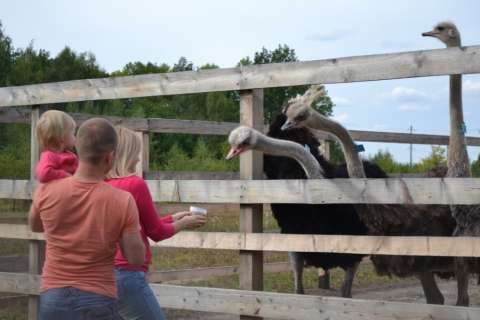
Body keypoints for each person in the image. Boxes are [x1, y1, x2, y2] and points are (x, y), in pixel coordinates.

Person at [29, 118, 146, 320]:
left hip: (53, 297)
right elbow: (136, 258)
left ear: (78, 152)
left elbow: (35, 225)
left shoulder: (45, 191)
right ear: (109, 158)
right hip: (98, 298)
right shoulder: (122, 200)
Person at [106, 126, 207, 320]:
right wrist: (185, 223)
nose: (138, 158)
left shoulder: (102, 183)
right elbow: (157, 232)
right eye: (136, 152)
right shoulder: (134, 184)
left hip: (103, 274)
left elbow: (136, 228)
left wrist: (172, 218)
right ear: (128, 153)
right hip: (128, 273)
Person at [35, 110, 78, 183]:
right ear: (62, 138)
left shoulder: (68, 154)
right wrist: (67, 176)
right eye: (73, 134)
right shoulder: (49, 156)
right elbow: (44, 174)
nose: (75, 138)